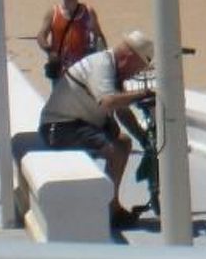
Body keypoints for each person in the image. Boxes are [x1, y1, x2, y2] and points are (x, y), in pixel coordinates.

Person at [40, 28, 155, 228]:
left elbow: (122, 111)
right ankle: (110, 208)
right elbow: (109, 102)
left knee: (123, 141)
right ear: (128, 57)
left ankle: (110, 203)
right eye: (138, 67)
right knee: (116, 149)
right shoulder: (103, 66)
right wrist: (142, 94)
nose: (136, 73)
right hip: (59, 128)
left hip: (77, 123)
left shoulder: (111, 68)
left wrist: (143, 138)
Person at [36, 0, 106, 80]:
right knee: (59, 97)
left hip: (83, 70)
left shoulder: (88, 12)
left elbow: (99, 37)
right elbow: (41, 35)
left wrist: (101, 58)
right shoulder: (53, 13)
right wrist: (50, 51)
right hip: (60, 71)